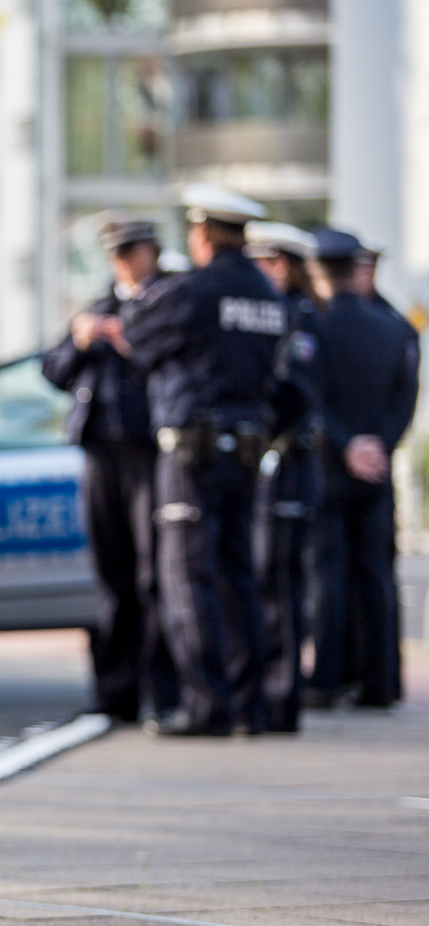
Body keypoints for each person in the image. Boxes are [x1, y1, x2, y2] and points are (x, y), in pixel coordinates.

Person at [115, 184, 283, 736]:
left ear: (204, 233)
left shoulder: (195, 290)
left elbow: (139, 337)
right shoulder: (267, 292)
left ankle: (207, 706)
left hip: (192, 453)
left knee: (188, 577)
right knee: (241, 577)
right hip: (248, 448)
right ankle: (252, 705)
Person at [42, 215, 175, 723]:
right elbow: (51, 369)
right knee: (112, 576)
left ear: (152, 252)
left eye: (132, 251)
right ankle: (115, 691)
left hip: (148, 452)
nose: (124, 262)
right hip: (102, 453)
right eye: (117, 253)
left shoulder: (167, 303)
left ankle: (161, 690)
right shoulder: (99, 306)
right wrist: (80, 341)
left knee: (153, 576)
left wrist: (128, 340)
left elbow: (174, 365)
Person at [307, 229, 418, 708]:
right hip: (376, 473)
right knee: (376, 577)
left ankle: (328, 679)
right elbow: (404, 400)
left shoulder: (314, 326)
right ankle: (381, 683)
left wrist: (345, 445)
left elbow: (311, 398)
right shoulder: (393, 327)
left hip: (330, 470)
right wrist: (379, 446)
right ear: (357, 270)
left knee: (328, 575)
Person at [244, 222, 325, 732]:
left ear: (280, 265)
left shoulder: (298, 321)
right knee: (272, 580)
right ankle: (273, 693)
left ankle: (279, 697)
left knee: (278, 583)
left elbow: (292, 393)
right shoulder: (287, 316)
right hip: (278, 461)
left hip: (288, 462)